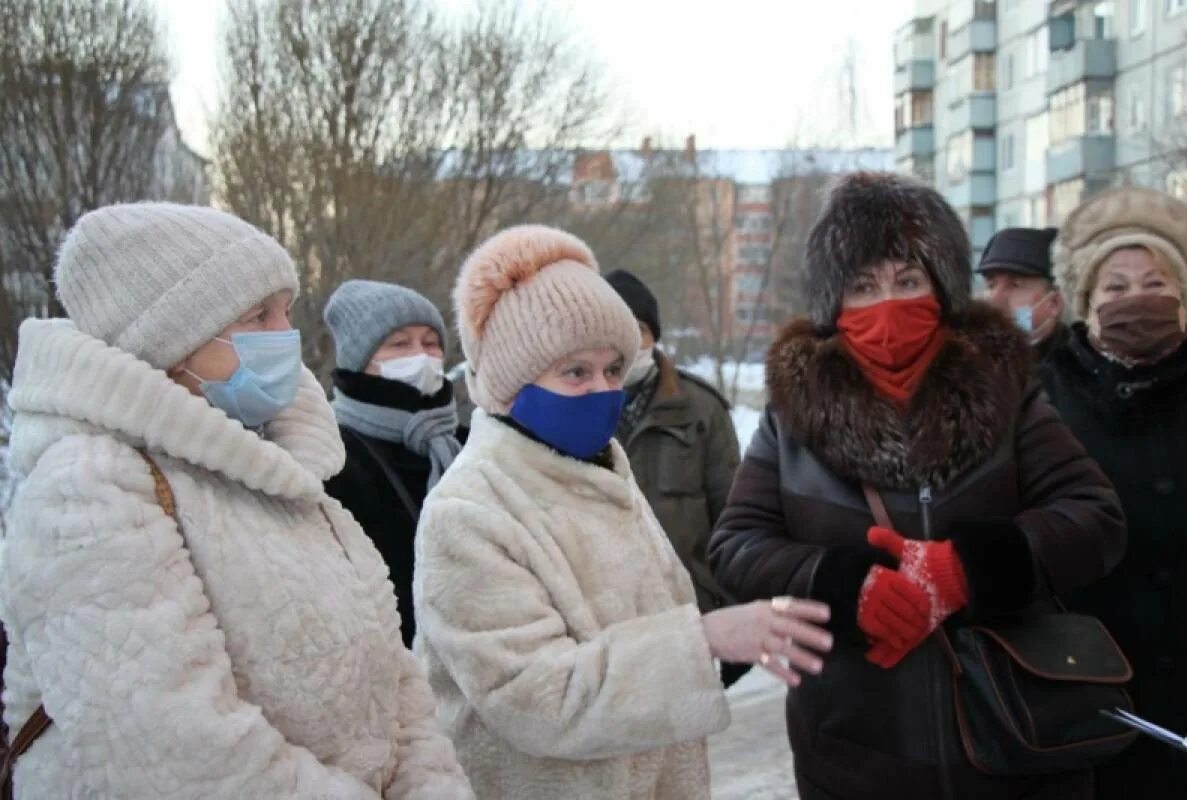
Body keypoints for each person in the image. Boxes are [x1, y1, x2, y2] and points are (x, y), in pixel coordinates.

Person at [0, 204, 472, 799]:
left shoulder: (285, 466)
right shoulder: (89, 491)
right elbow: (175, 750)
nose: (286, 339)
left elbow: (394, 678)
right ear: (173, 340)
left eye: (285, 310)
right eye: (257, 316)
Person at [708, 172, 1126, 800]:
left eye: (909, 281)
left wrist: (970, 568)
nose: (888, 305)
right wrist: (842, 584)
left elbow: (1095, 518)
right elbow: (736, 546)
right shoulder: (792, 415)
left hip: (1014, 745)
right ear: (833, 302)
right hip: (854, 753)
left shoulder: (1007, 391)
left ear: (943, 287)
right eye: (863, 286)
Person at [413, 225, 833, 799]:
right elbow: (534, 697)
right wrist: (703, 640)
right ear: (511, 383)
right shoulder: (467, 512)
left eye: (613, 370)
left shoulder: (600, 470)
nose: (602, 390)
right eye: (575, 372)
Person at [1039, 186, 1187, 799]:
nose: (1139, 299)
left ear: (1183, 294)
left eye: (1157, 282)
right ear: (1085, 303)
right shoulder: (1038, 399)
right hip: (1079, 697)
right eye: (1116, 287)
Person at [604, 269, 748, 687]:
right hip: (603, 627)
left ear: (654, 335)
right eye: (614, 328)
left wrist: (732, 611)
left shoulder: (701, 410)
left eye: (639, 328)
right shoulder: (574, 409)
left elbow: (734, 522)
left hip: (688, 617)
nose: (628, 343)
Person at [323, 279, 466, 647]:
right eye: (400, 344)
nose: (421, 356)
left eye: (431, 343)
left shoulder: (468, 442)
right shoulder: (331, 455)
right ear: (359, 359)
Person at [977, 226, 1068, 361]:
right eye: (991, 285)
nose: (994, 300)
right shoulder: (969, 364)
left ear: (1054, 302)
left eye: (1015, 285)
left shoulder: (1078, 370)